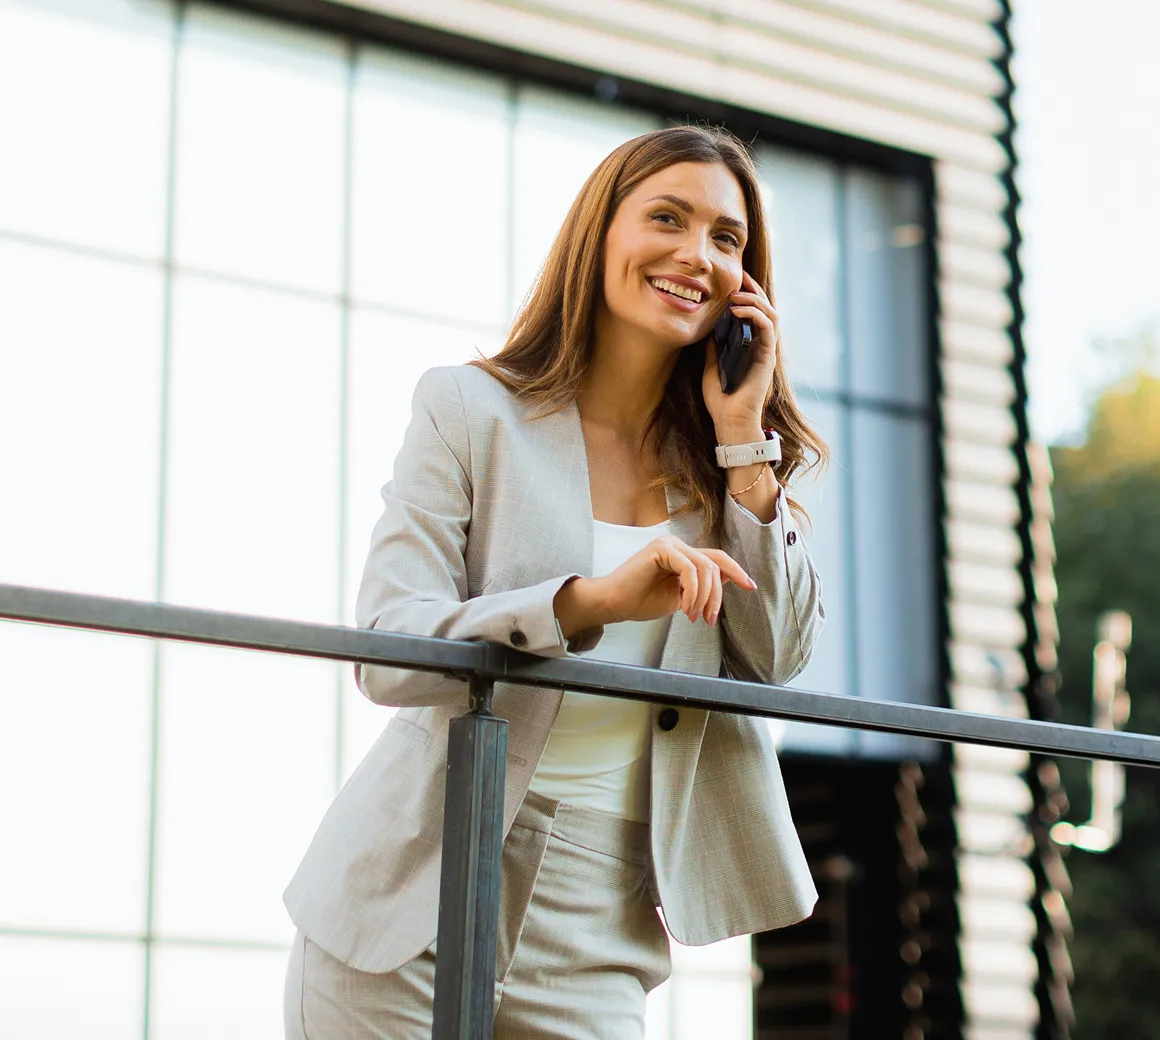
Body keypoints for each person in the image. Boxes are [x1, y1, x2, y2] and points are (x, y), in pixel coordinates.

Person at [283, 123, 827, 1039]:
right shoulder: (469, 411)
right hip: (414, 889)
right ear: (600, 234)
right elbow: (389, 646)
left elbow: (777, 657)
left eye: (727, 238)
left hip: (599, 921)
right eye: (667, 217)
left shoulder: (731, 473)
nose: (697, 255)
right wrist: (589, 601)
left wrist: (744, 441)